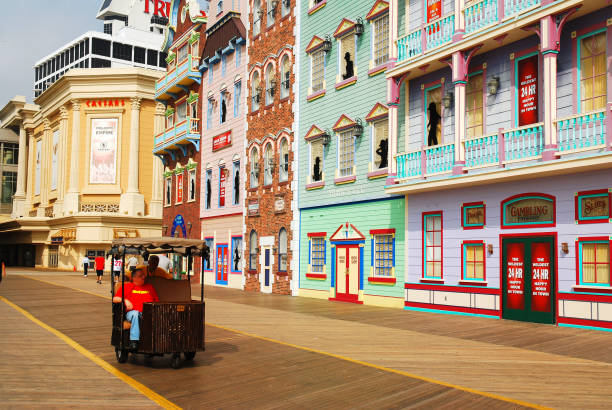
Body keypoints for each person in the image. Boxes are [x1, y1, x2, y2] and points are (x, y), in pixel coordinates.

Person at [113, 268, 159, 351]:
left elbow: (157, 301)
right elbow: (115, 299)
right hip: (132, 313)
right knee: (135, 314)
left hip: (148, 314)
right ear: (134, 278)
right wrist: (125, 300)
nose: (144, 277)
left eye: (143, 275)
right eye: (141, 276)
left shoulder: (149, 287)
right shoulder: (127, 286)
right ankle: (134, 341)